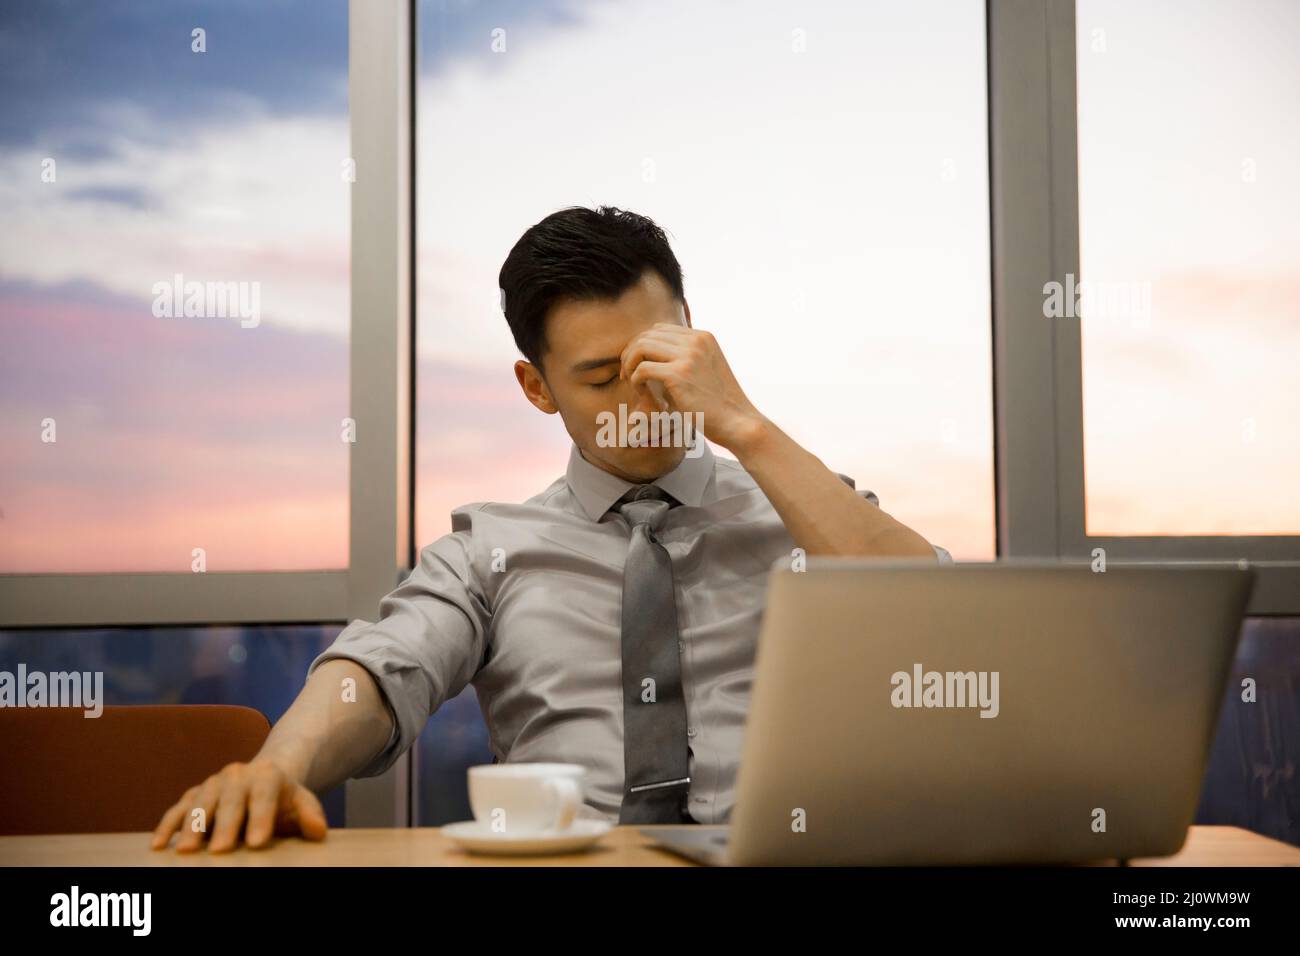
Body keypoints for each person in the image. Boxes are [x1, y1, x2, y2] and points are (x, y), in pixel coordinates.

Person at [151, 205, 951, 852]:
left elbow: (942, 624)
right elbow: (382, 666)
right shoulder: (490, 550)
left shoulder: (801, 507)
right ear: (537, 387)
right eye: (603, 379)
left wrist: (744, 424)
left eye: (660, 360)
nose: (645, 402)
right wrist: (281, 767)